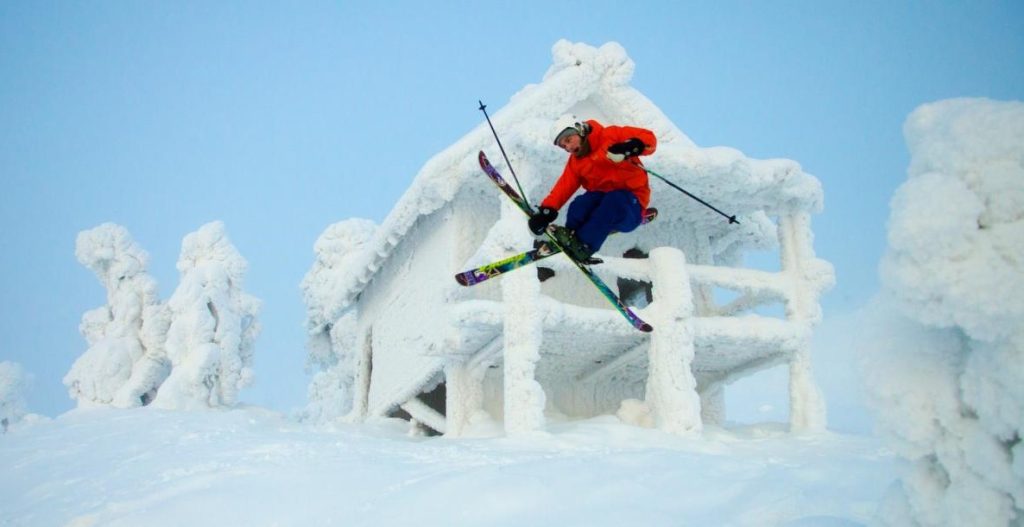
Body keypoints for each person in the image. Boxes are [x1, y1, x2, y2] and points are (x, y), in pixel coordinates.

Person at [528, 115, 657, 264]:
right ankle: (572, 238)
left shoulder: (610, 136)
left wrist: (630, 146)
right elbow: (563, 186)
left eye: (568, 140)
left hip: (631, 203)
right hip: (602, 202)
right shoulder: (576, 162)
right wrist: (546, 212)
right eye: (564, 146)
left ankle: (584, 246)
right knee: (580, 205)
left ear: (580, 130)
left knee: (614, 201)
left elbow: (649, 139)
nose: (568, 148)